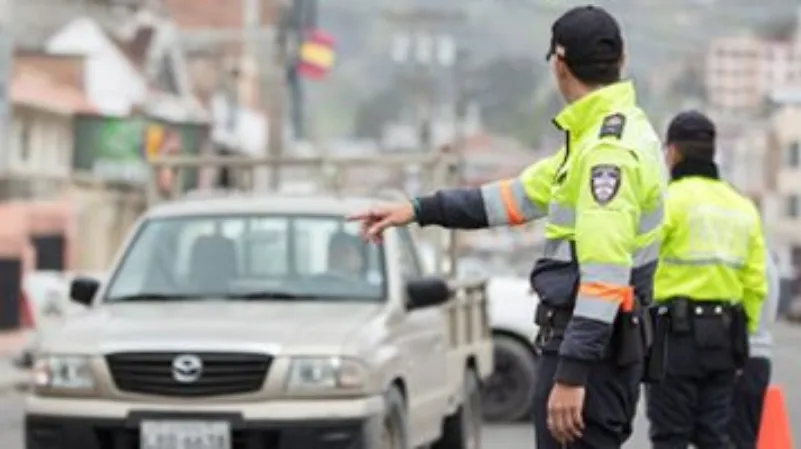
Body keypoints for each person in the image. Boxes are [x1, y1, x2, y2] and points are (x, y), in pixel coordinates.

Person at [348, 5, 666, 448]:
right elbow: (510, 199)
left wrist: (572, 375)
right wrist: (417, 209)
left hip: (590, 355)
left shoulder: (605, 154)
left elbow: (605, 277)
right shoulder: (613, 135)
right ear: (622, 57)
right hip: (597, 347)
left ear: (559, 63)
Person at [645, 110, 768, 449]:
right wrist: (742, 336)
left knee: (670, 437)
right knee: (715, 436)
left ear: (672, 152)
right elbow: (755, 283)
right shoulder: (742, 207)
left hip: (671, 334)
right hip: (725, 336)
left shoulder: (668, 201)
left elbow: (640, 262)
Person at [729, 250, 780, 448]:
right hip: (759, 355)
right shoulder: (765, 258)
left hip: (739, 357)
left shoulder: (742, 257)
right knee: (744, 438)